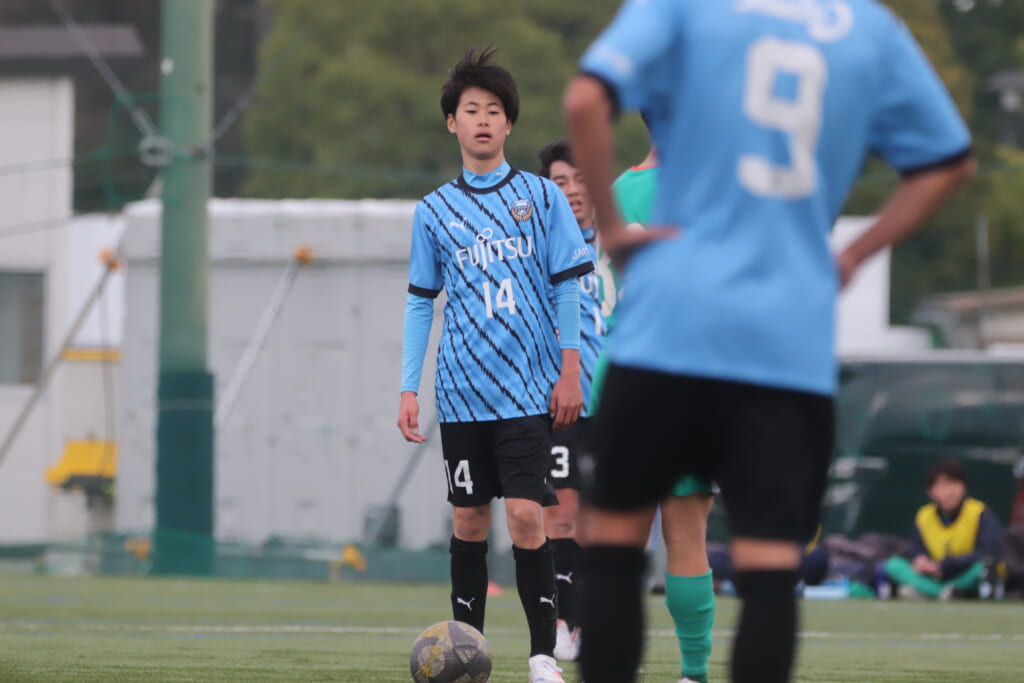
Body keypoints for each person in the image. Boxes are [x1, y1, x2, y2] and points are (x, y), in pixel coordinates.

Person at [563, 2, 974, 682]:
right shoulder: (869, 28)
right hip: (783, 348)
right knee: (768, 572)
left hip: (666, 332)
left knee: (613, 552)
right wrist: (855, 254)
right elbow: (949, 160)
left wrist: (609, 228)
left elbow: (585, 99)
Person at [398, 47, 593, 683]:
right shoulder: (433, 211)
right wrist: (408, 388)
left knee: (528, 516)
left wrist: (569, 369)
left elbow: (567, 287)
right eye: (470, 110)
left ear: (509, 123)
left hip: (529, 390)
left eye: (493, 110)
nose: (482, 120)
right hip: (460, 393)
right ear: (451, 122)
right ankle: (469, 654)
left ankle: (542, 657)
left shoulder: (541, 197)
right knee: (468, 519)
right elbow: (421, 303)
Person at [536, 140, 605, 662]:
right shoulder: (539, 247)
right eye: (561, 182)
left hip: (616, 404)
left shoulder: (619, 246)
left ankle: (594, 621)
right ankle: (563, 623)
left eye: (581, 179)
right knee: (560, 516)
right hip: (560, 403)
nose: (573, 190)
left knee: (600, 524)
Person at [882, 458, 1006, 599]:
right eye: (944, 485)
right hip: (936, 576)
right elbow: (916, 550)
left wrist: (948, 565)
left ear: (964, 487)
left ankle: (937, 592)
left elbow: (989, 552)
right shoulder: (924, 516)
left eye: (955, 484)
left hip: (966, 572)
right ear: (931, 491)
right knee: (893, 565)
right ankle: (946, 593)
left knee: (985, 567)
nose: (950, 491)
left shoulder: (979, 513)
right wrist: (922, 562)